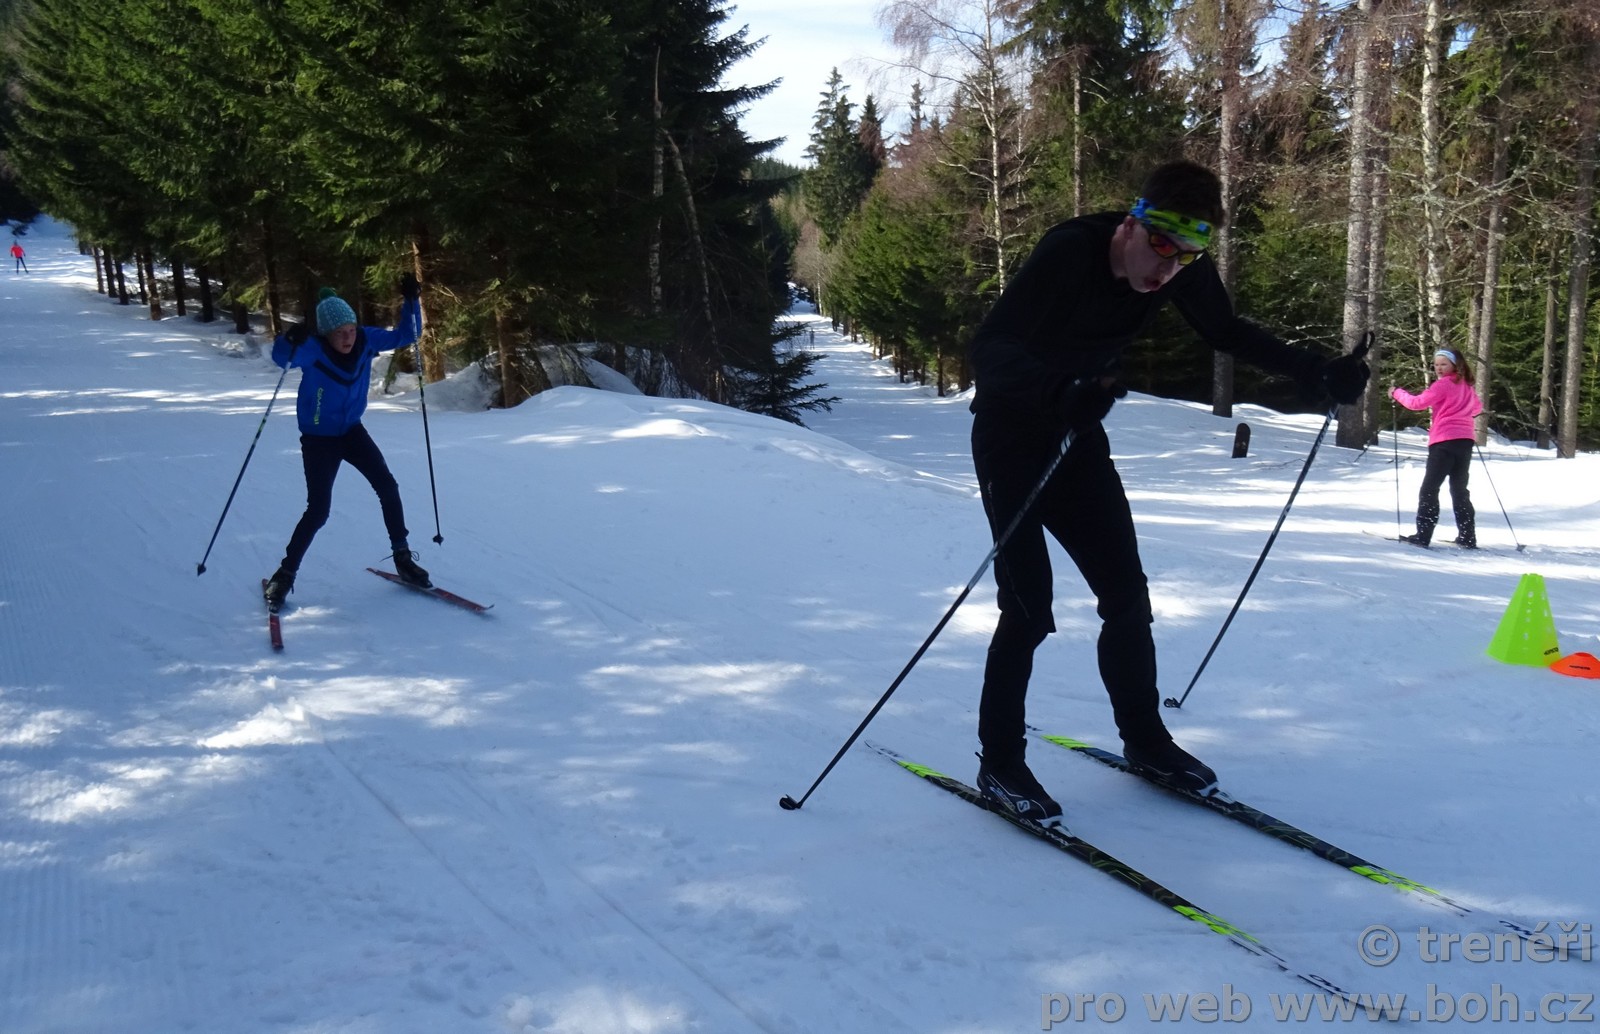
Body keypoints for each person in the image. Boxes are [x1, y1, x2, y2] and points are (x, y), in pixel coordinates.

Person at [965, 159, 1370, 826]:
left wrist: (1316, 371)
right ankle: (999, 763)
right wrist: (1057, 390)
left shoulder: (1179, 263)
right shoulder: (1070, 251)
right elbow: (990, 347)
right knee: (1029, 607)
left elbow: (1225, 331)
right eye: (1160, 246)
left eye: (1186, 255)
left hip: (1076, 438)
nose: (1167, 268)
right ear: (1131, 224)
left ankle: (1146, 742)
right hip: (1010, 436)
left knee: (1127, 596)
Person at [263, 274, 431, 611]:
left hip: (352, 431)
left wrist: (411, 301)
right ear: (327, 333)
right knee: (318, 510)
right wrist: (287, 338)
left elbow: (407, 335)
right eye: (340, 332)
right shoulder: (312, 350)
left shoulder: (366, 340)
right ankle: (285, 574)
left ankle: (402, 557)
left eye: (351, 329)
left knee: (388, 486)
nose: (348, 337)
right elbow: (282, 358)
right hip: (319, 440)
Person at [1390, 348, 1482, 549]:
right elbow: (1477, 408)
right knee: (1459, 490)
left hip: (1444, 441)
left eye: (1443, 364)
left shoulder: (1443, 384)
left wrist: (1397, 393)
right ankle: (1467, 537)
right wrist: (1461, 410)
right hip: (1465, 441)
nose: (1439, 368)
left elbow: (1417, 403)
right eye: (1436, 364)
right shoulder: (1467, 385)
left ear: (1454, 365)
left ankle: (1423, 536)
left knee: (1430, 488)